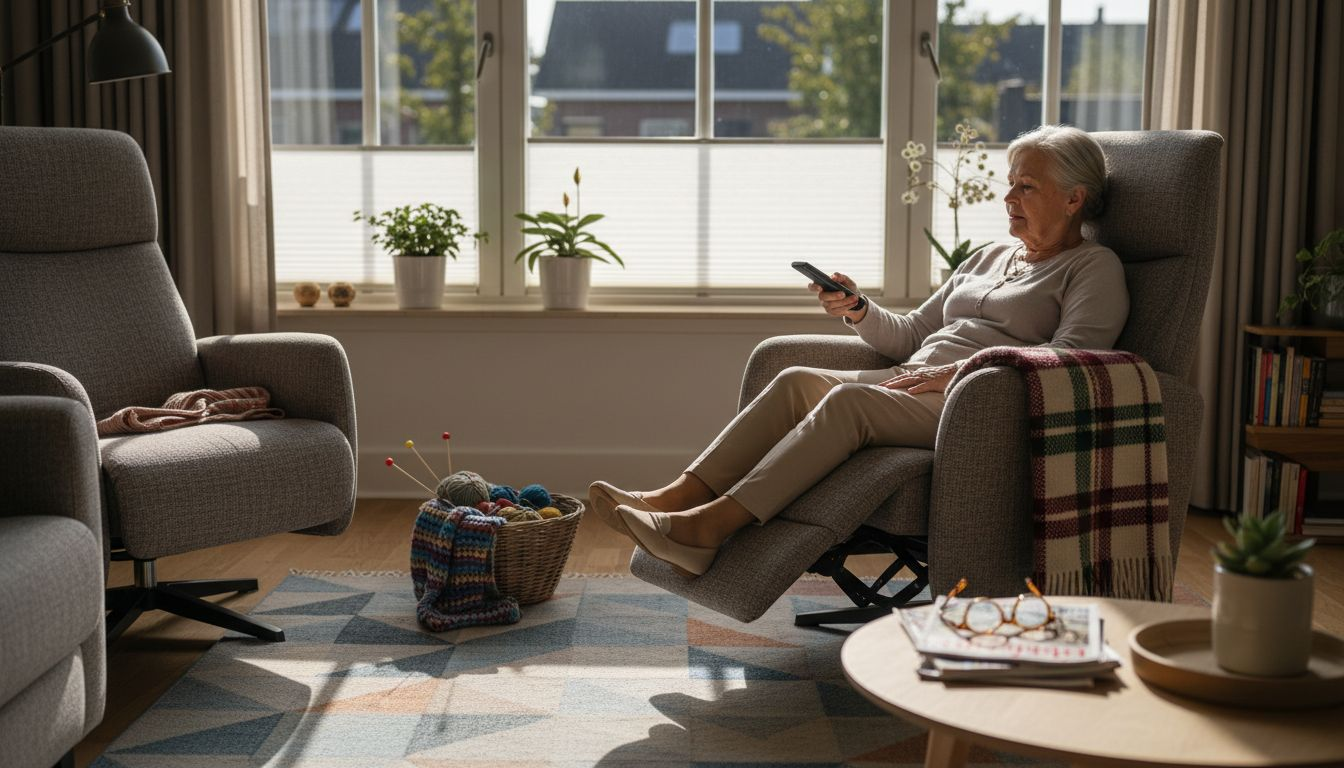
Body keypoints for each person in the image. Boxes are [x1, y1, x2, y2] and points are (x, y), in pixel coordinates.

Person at [589, 124, 1130, 577]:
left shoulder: (1093, 268)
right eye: (1010, 184)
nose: (1008, 199)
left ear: (1074, 198)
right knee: (797, 380)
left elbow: (1074, 362)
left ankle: (707, 529)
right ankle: (676, 498)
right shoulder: (990, 256)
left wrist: (957, 371)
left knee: (845, 404)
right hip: (916, 383)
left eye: (1026, 187)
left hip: (983, 406)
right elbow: (914, 331)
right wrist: (858, 309)